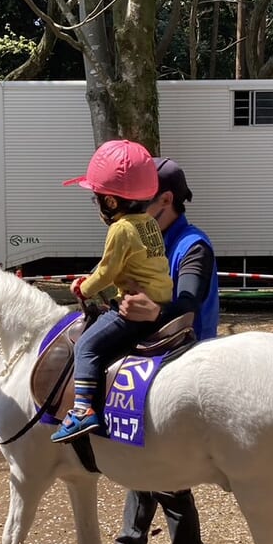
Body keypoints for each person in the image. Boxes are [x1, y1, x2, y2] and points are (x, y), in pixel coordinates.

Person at [101, 157, 220, 544]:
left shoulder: (192, 245)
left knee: (165, 473)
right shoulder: (148, 237)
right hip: (155, 356)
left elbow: (190, 298)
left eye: (140, 198)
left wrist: (156, 310)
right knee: (137, 453)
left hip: (186, 363)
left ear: (165, 200)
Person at [51, 139, 175, 443]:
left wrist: (83, 286)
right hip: (161, 299)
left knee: (86, 347)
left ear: (110, 202)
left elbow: (107, 272)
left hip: (134, 310)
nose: (96, 205)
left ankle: (82, 411)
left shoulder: (119, 229)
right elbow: (124, 265)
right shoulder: (149, 223)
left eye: (96, 199)